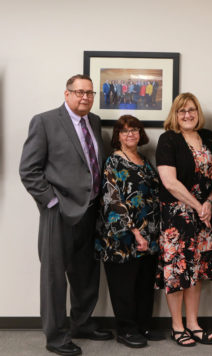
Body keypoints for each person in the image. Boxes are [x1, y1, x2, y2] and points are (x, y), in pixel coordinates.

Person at [19, 74, 113, 356]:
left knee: (86, 273)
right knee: (54, 278)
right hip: (58, 214)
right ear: (67, 93)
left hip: (91, 210)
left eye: (89, 93)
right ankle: (56, 337)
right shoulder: (45, 121)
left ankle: (81, 323)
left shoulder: (94, 122)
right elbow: (29, 170)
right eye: (79, 92)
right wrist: (51, 203)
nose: (85, 97)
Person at [155, 92, 212, 347]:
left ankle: (193, 323)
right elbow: (170, 182)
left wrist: (209, 203)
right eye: (181, 111)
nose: (187, 115)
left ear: (198, 112)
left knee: (196, 271)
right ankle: (177, 326)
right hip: (176, 216)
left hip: (204, 216)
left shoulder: (210, 138)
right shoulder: (168, 139)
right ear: (175, 115)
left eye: (191, 110)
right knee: (177, 272)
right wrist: (198, 206)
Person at [96, 115, 163, 349]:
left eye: (134, 129)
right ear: (117, 136)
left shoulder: (144, 160)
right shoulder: (113, 162)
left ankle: (144, 324)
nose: (130, 134)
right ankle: (126, 329)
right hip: (123, 238)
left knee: (144, 284)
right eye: (124, 131)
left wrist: (153, 234)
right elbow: (113, 200)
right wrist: (135, 233)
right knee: (123, 286)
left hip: (150, 235)